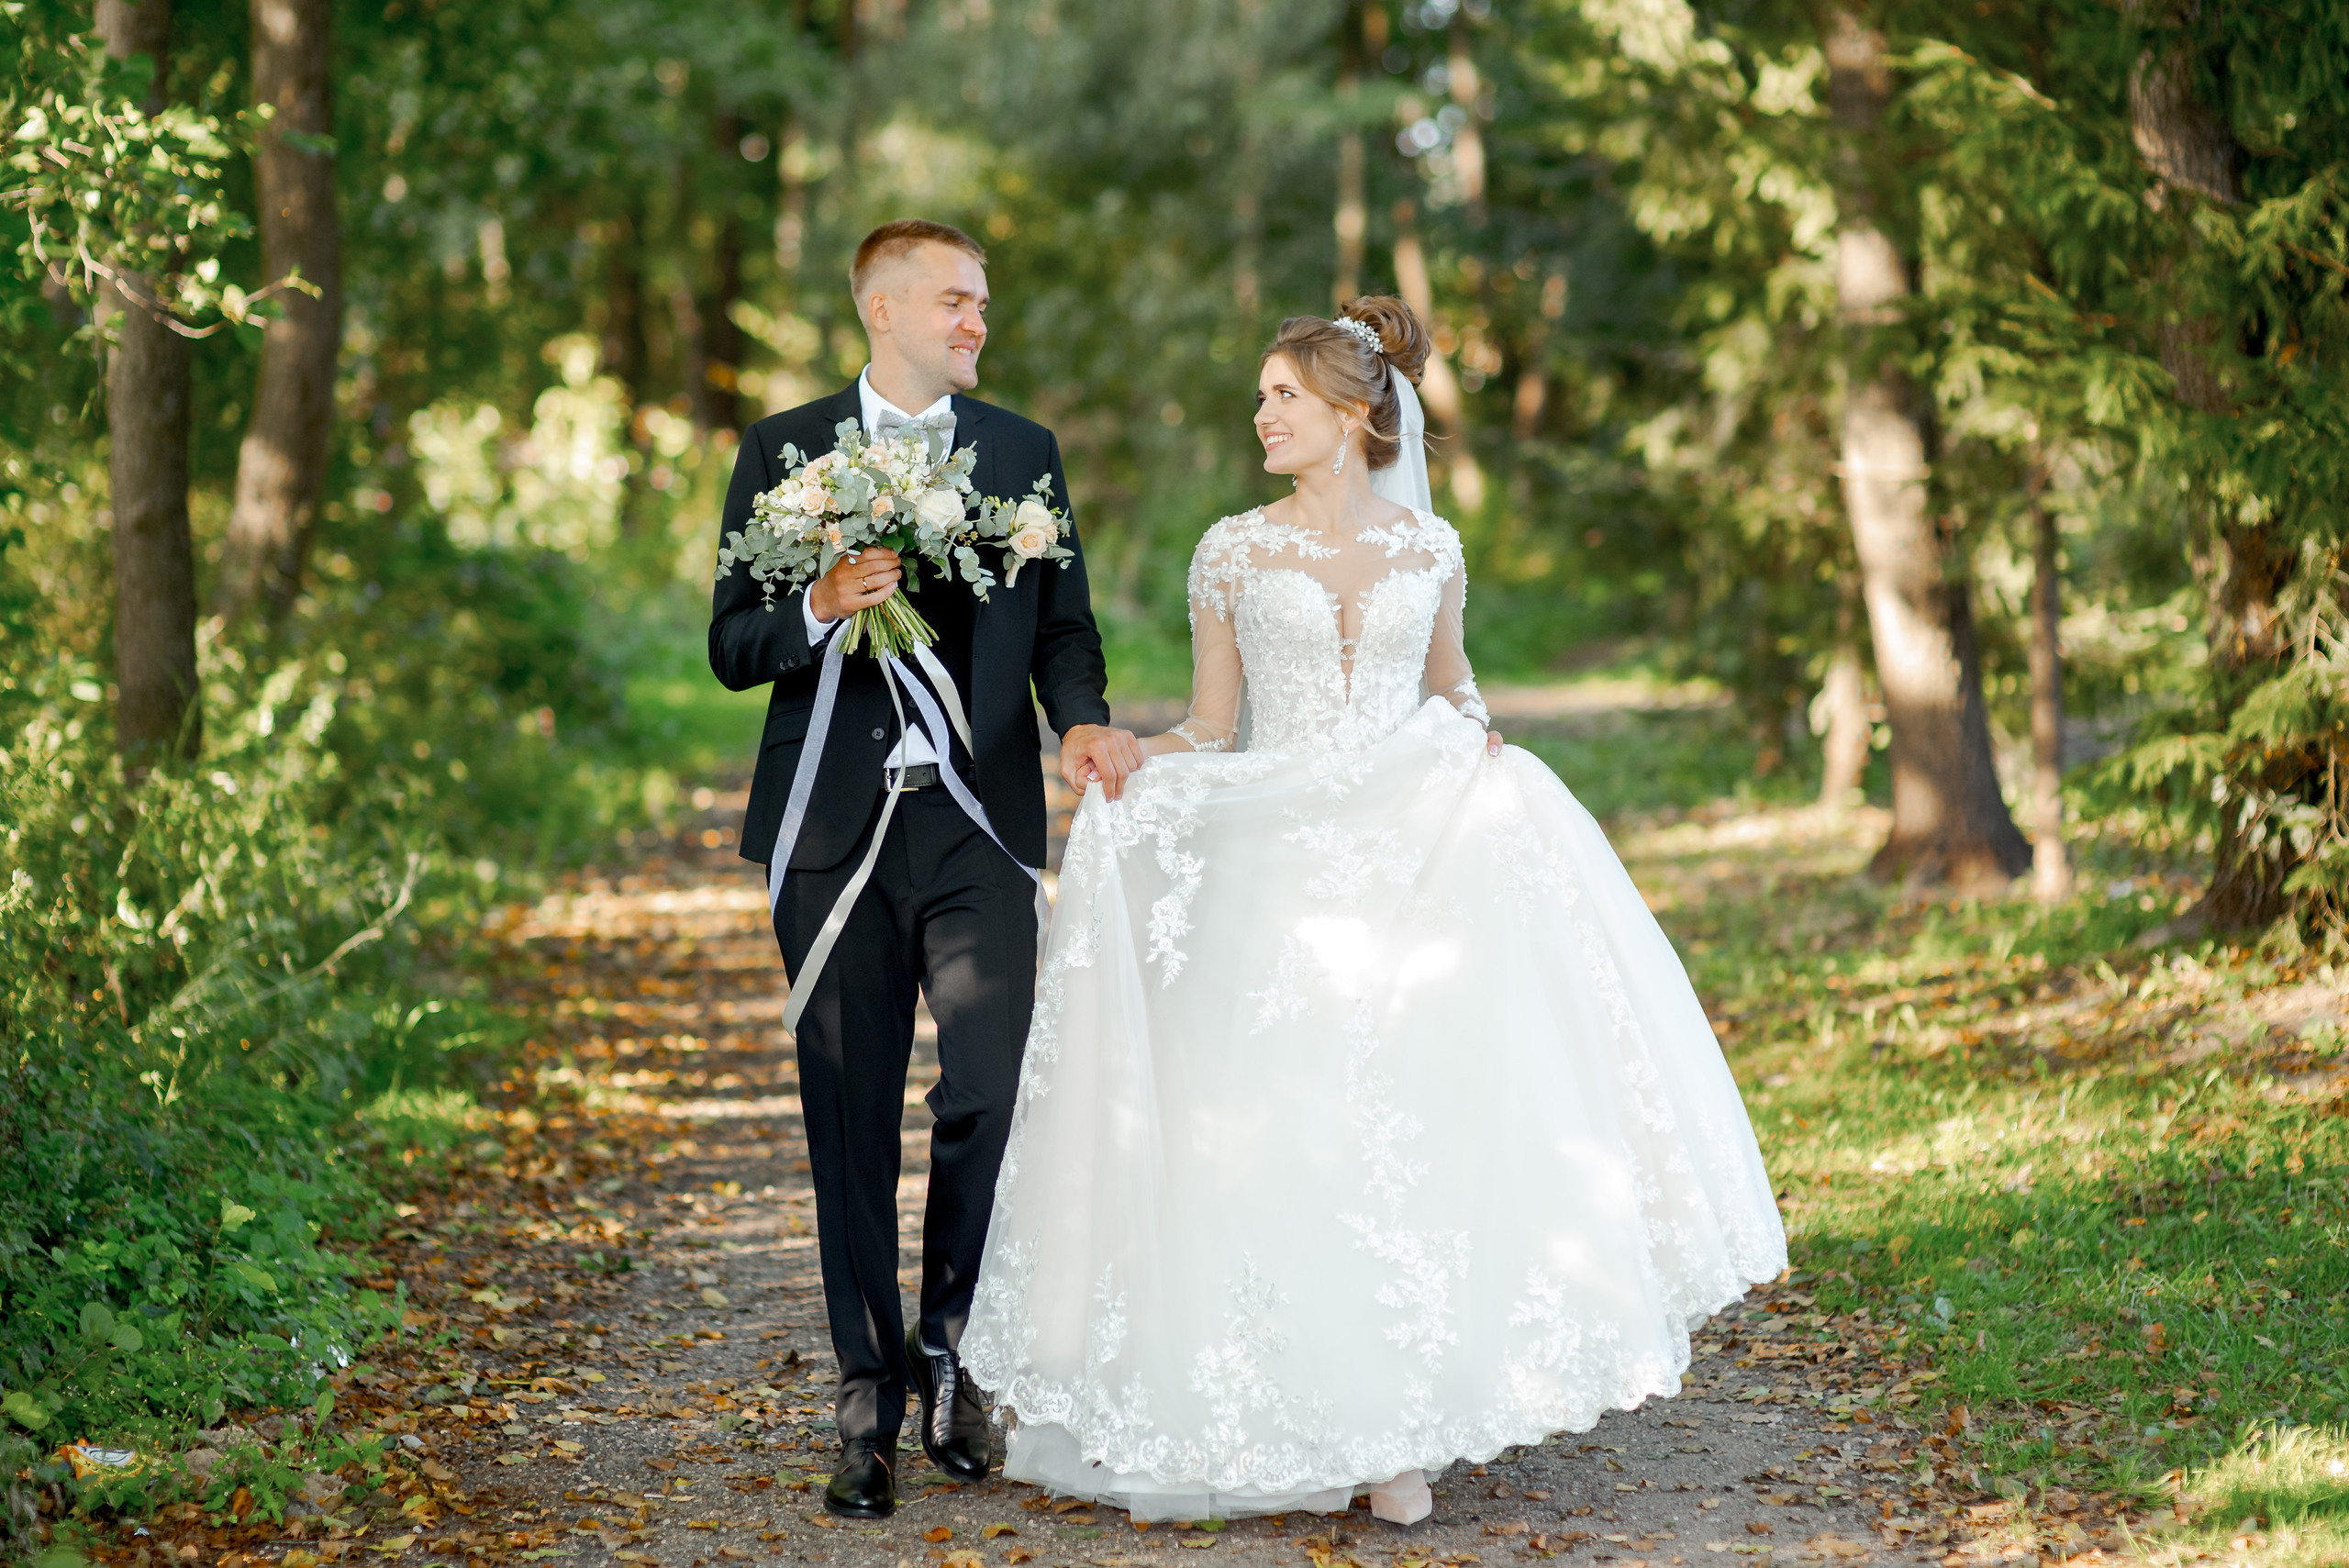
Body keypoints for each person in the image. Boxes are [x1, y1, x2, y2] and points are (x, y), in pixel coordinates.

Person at [960, 297, 1788, 1526]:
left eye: (1282, 396)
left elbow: (1452, 684)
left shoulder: (1429, 551)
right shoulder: (1232, 552)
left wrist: (1477, 741)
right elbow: (1212, 726)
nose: (1261, 415)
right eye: (1262, 397)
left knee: (1402, 1129)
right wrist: (1134, 759)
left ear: (1353, 414)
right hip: (1278, 871)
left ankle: (1396, 1430)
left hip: (1412, 865)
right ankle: (1289, 1409)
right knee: (1286, 1128)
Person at [708, 219, 1142, 1519]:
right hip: (832, 832)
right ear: (882, 308)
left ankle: (952, 1352)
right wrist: (820, 602)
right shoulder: (783, 452)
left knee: (991, 1088)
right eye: (955, 301)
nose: (976, 323)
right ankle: (866, 1403)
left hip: (978, 825)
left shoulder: (1022, 453)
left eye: (982, 304)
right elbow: (731, 645)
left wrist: (1080, 722)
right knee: (847, 1113)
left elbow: (1064, 627)